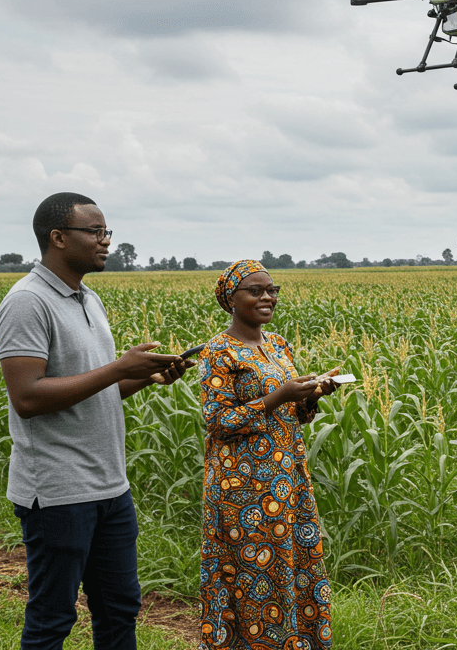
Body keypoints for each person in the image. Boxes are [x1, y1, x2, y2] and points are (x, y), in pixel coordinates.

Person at [0, 191, 194, 650]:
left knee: (120, 609)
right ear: (58, 238)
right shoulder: (27, 302)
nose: (106, 240)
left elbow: (93, 390)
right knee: (52, 618)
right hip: (58, 491)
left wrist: (144, 377)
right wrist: (118, 368)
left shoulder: (88, 299)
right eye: (96, 231)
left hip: (110, 487)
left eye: (107, 231)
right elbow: (27, 397)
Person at [197, 260, 343, 650]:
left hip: (287, 479)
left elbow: (293, 414)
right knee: (253, 574)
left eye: (272, 290)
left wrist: (311, 396)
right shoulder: (218, 351)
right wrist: (278, 396)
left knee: (289, 567)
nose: (267, 297)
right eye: (256, 290)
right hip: (244, 489)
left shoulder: (277, 344)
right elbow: (217, 421)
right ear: (231, 299)